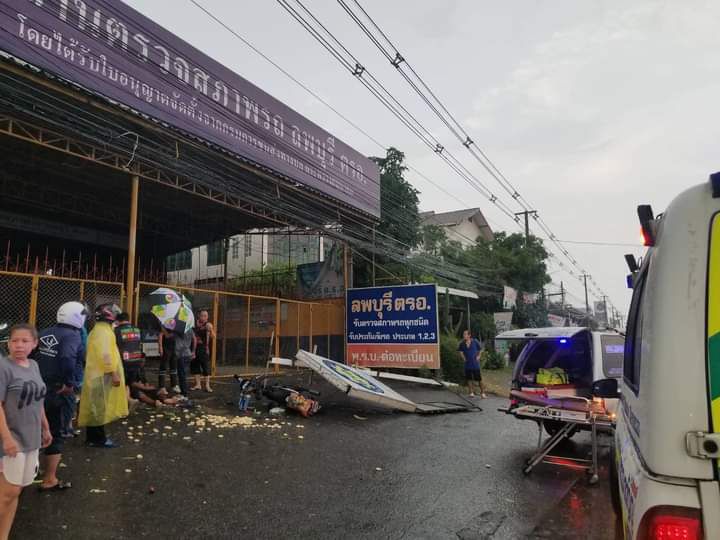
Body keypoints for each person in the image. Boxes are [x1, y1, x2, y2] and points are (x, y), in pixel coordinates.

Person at [0, 324, 52, 540]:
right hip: (11, 438)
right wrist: (6, 438)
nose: (19, 345)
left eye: (24, 341)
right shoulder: (3, 367)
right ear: (8, 344)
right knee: (8, 492)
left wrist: (45, 427)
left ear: (34, 344)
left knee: (16, 491)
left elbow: (38, 400)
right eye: (14, 341)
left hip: (31, 437)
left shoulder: (34, 365)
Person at [33, 301, 86, 491]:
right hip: (58, 390)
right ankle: (50, 479)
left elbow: (32, 355)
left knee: (34, 429)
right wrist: (69, 383)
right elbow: (67, 358)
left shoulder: (45, 332)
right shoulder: (72, 336)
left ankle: (30, 469)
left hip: (37, 388)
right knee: (56, 433)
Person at [78, 304, 128, 448]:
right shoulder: (103, 332)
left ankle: (93, 438)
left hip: (97, 373)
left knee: (96, 406)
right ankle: (98, 439)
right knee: (99, 407)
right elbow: (105, 354)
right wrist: (113, 372)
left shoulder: (99, 330)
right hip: (101, 374)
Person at [114, 312, 145, 408]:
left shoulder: (117, 330)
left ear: (118, 321)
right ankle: (130, 400)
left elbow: (115, 345)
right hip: (136, 358)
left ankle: (128, 400)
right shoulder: (137, 329)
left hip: (124, 360)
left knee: (123, 382)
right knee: (129, 382)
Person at [191, 310, 215, 393]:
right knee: (195, 366)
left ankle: (207, 386)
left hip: (203, 348)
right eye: (202, 315)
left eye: (206, 316)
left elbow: (213, 336)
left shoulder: (208, 325)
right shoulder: (194, 324)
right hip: (194, 348)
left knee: (205, 367)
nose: (204, 317)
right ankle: (198, 384)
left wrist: (211, 330)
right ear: (199, 316)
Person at [458, 329, 486, 398]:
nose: (464, 335)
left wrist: (479, 356)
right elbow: (460, 351)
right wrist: (463, 358)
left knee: (479, 379)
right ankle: (471, 393)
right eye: (463, 334)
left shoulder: (475, 341)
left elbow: (480, 349)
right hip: (467, 365)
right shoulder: (462, 343)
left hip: (475, 364)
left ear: (469, 335)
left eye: (465, 334)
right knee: (469, 379)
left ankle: (483, 393)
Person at [173, 328, 195, 400]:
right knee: (183, 374)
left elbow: (167, 336)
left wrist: (162, 327)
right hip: (187, 354)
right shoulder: (190, 329)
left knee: (182, 375)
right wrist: (193, 351)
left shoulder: (178, 330)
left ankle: (184, 394)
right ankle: (183, 393)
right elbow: (194, 339)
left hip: (181, 354)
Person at [158, 328, 178, 394]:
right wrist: (160, 347)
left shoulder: (177, 325)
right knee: (163, 367)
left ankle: (174, 385)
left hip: (174, 348)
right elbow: (160, 335)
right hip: (166, 348)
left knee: (173, 367)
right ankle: (162, 387)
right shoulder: (165, 324)